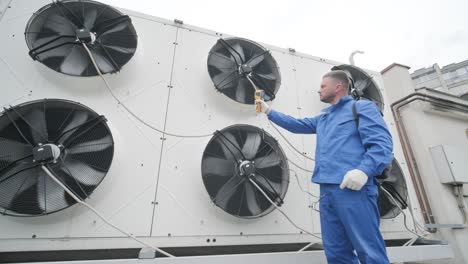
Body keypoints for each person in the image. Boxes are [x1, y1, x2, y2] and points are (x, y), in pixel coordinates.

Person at [256, 70, 393, 263]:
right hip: (327, 191)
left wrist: (364, 170)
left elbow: (382, 145)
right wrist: (269, 111)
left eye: (322, 86)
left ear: (338, 87)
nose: (318, 90)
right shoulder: (323, 118)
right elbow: (296, 124)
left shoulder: (362, 107)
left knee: (369, 250)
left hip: (354, 189)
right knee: (336, 252)